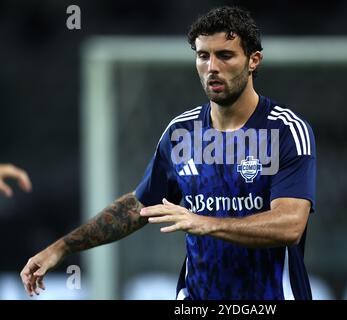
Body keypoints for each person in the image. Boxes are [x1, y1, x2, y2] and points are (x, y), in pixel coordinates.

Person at [20, 6, 316, 300]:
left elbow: (290, 224)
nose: (212, 67)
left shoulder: (286, 131)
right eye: (203, 56)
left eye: (225, 55)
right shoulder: (181, 133)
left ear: (254, 61)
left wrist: (205, 223)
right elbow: (139, 206)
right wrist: (61, 247)